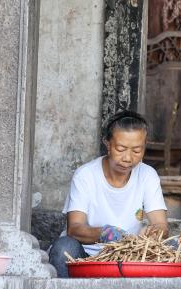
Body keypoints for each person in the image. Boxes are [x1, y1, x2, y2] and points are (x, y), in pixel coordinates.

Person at [48, 110, 169, 277]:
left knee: (176, 248)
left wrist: (152, 234)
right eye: (121, 149)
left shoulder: (147, 175)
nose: (128, 158)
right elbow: (74, 229)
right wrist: (104, 234)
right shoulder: (86, 175)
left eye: (136, 150)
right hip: (87, 255)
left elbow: (161, 225)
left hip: (129, 257)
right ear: (107, 143)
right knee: (64, 248)